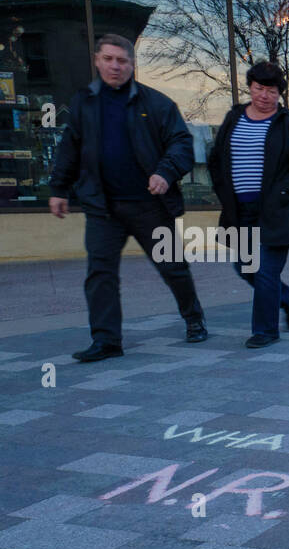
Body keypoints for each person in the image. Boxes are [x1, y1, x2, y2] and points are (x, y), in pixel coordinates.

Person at [48, 34, 207, 362]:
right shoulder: (84, 103)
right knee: (100, 273)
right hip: (103, 207)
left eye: (122, 61)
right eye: (108, 59)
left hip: (149, 206)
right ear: (97, 60)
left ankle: (194, 319)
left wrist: (165, 172)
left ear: (133, 65)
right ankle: (106, 341)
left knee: (172, 266)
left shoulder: (157, 104)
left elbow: (181, 143)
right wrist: (58, 189)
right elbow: (70, 148)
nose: (115, 66)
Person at [208, 61, 289, 347]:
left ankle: (264, 331)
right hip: (240, 209)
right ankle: (286, 296)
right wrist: (224, 194)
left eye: (271, 90)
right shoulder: (234, 118)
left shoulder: (288, 122)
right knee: (245, 267)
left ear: (279, 93)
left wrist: (281, 194)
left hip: (276, 210)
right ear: (250, 88)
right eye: (259, 89)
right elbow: (216, 159)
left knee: (266, 270)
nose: (264, 96)